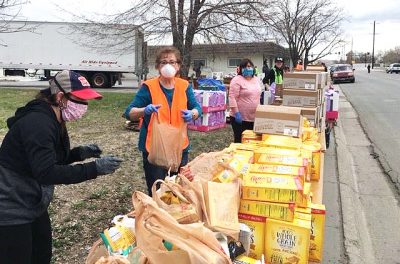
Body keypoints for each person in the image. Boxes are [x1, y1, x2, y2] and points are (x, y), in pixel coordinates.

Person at [0, 70, 123, 264]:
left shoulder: (53, 117)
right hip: (11, 207)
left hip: (32, 201)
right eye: (80, 100)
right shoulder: (38, 123)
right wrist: (95, 168)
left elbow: (47, 159)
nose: (84, 106)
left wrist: (79, 153)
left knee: (41, 255)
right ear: (60, 97)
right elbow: (47, 172)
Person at [124, 46, 202, 195]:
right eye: (163, 62)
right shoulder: (149, 87)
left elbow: (197, 107)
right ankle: (158, 215)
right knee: (158, 191)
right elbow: (129, 112)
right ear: (158, 66)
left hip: (179, 146)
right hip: (154, 148)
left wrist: (193, 113)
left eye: (172, 62)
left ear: (178, 65)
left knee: (178, 188)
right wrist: (144, 110)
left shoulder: (184, 86)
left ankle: (176, 217)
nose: (168, 65)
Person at [229, 58, 263, 143]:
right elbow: (232, 97)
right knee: (240, 140)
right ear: (240, 69)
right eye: (244, 67)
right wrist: (236, 113)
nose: (247, 69)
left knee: (252, 141)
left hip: (254, 118)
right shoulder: (237, 80)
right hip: (240, 118)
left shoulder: (256, 79)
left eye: (249, 66)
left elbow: (259, 94)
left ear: (253, 67)